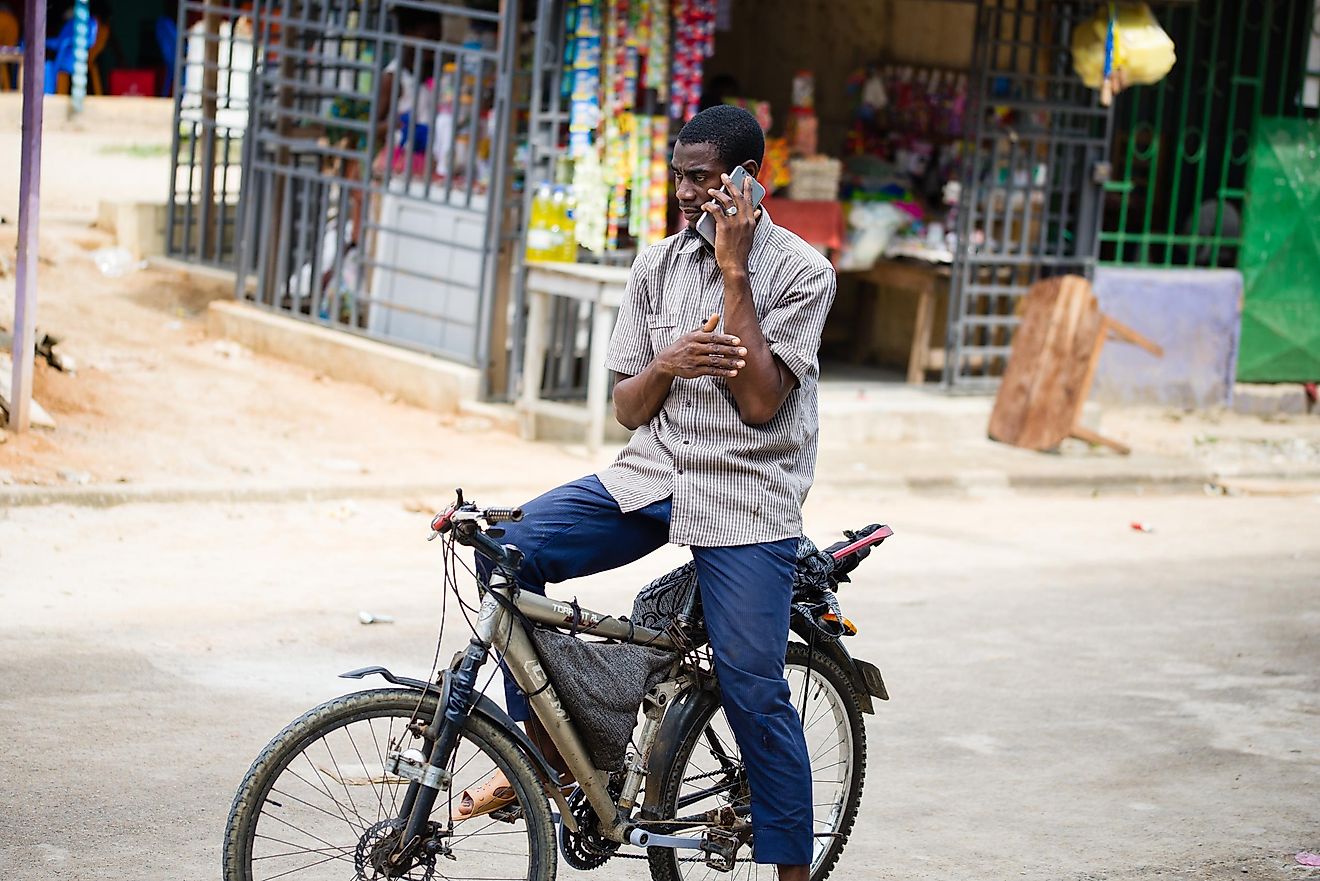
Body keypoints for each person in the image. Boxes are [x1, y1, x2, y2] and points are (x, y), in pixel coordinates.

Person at [468, 104, 836, 880]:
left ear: (746, 181)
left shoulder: (802, 272)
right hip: (653, 475)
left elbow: (763, 404)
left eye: (702, 178)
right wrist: (666, 365)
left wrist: (735, 270)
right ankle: (554, 763)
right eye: (679, 176)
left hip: (747, 495)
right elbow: (626, 408)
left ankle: (792, 869)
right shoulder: (655, 267)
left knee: (753, 690)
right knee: (505, 554)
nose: (685, 192)